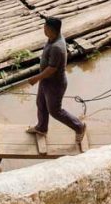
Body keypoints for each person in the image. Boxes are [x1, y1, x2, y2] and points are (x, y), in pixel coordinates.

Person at [27, 16, 87, 149]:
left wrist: (36, 78)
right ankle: (41, 127)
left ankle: (79, 127)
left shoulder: (57, 47)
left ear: (52, 30)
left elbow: (52, 69)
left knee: (55, 111)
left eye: (45, 28)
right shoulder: (53, 38)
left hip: (55, 84)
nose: (44, 30)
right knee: (41, 103)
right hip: (46, 81)